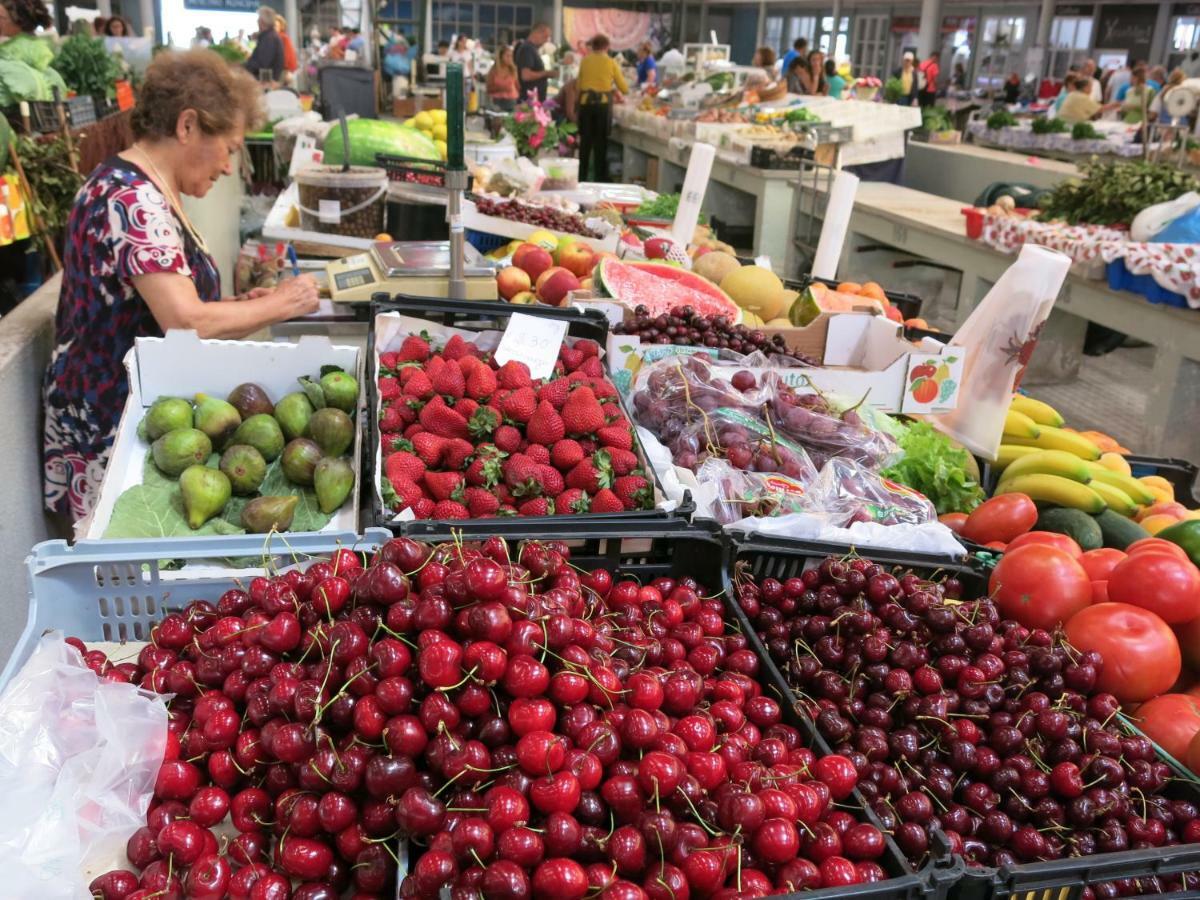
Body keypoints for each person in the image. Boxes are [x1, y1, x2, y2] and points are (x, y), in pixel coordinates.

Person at [42, 50, 319, 523]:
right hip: (111, 423)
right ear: (187, 126)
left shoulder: (139, 187)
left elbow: (157, 304)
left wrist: (236, 306)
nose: (230, 167)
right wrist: (283, 304)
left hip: (133, 412)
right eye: (230, 148)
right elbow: (184, 320)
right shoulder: (132, 198)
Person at [576, 33, 627, 182]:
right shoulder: (611, 62)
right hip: (603, 106)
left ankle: (581, 178)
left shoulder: (585, 61)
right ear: (607, 47)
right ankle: (599, 179)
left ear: (593, 46)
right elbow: (624, 88)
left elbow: (579, 85)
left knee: (585, 144)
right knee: (600, 145)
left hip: (585, 104)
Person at [244, 6, 284, 84]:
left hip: (265, 83)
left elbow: (261, 64)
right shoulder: (269, 36)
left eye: (258, 19)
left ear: (262, 21)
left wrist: (242, 67)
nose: (257, 21)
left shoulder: (269, 38)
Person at [516, 22, 552, 102]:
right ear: (537, 33)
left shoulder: (531, 49)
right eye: (545, 36)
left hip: (534, 101)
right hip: (529, 101)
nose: (546, 40)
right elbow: (526, 75)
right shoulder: (527, 49)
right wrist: (546, 73)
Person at [486, 44, 520, 111]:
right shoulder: (493, 71)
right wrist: (501, 87)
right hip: (496, 102)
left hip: (511, 101)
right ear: (501, 57)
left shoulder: (513, 70)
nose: (510, 58)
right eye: (507, 56)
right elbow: (488, 89)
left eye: (511, 56)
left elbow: (517, 86)